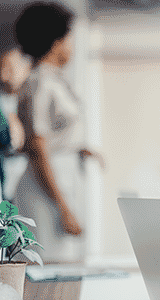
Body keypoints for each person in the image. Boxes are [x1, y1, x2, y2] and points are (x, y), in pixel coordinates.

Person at [13, 2, 102, 261]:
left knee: (66, 264)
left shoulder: (53, 78)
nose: (71, 45)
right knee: (49, 267)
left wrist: (79, 148)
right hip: (45, 185)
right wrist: (63, 207)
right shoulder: (39, 82)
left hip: (61, 177)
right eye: (68, 38)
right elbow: (38, 147)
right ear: (55, 41)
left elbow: (54, 134)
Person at [0, 45, 29, 196]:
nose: (3, 75)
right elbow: (14, 140)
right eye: (1, 68)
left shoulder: (30, 101)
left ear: (27, 69)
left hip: (27, 183)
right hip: (6, 183)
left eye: (9, 68)